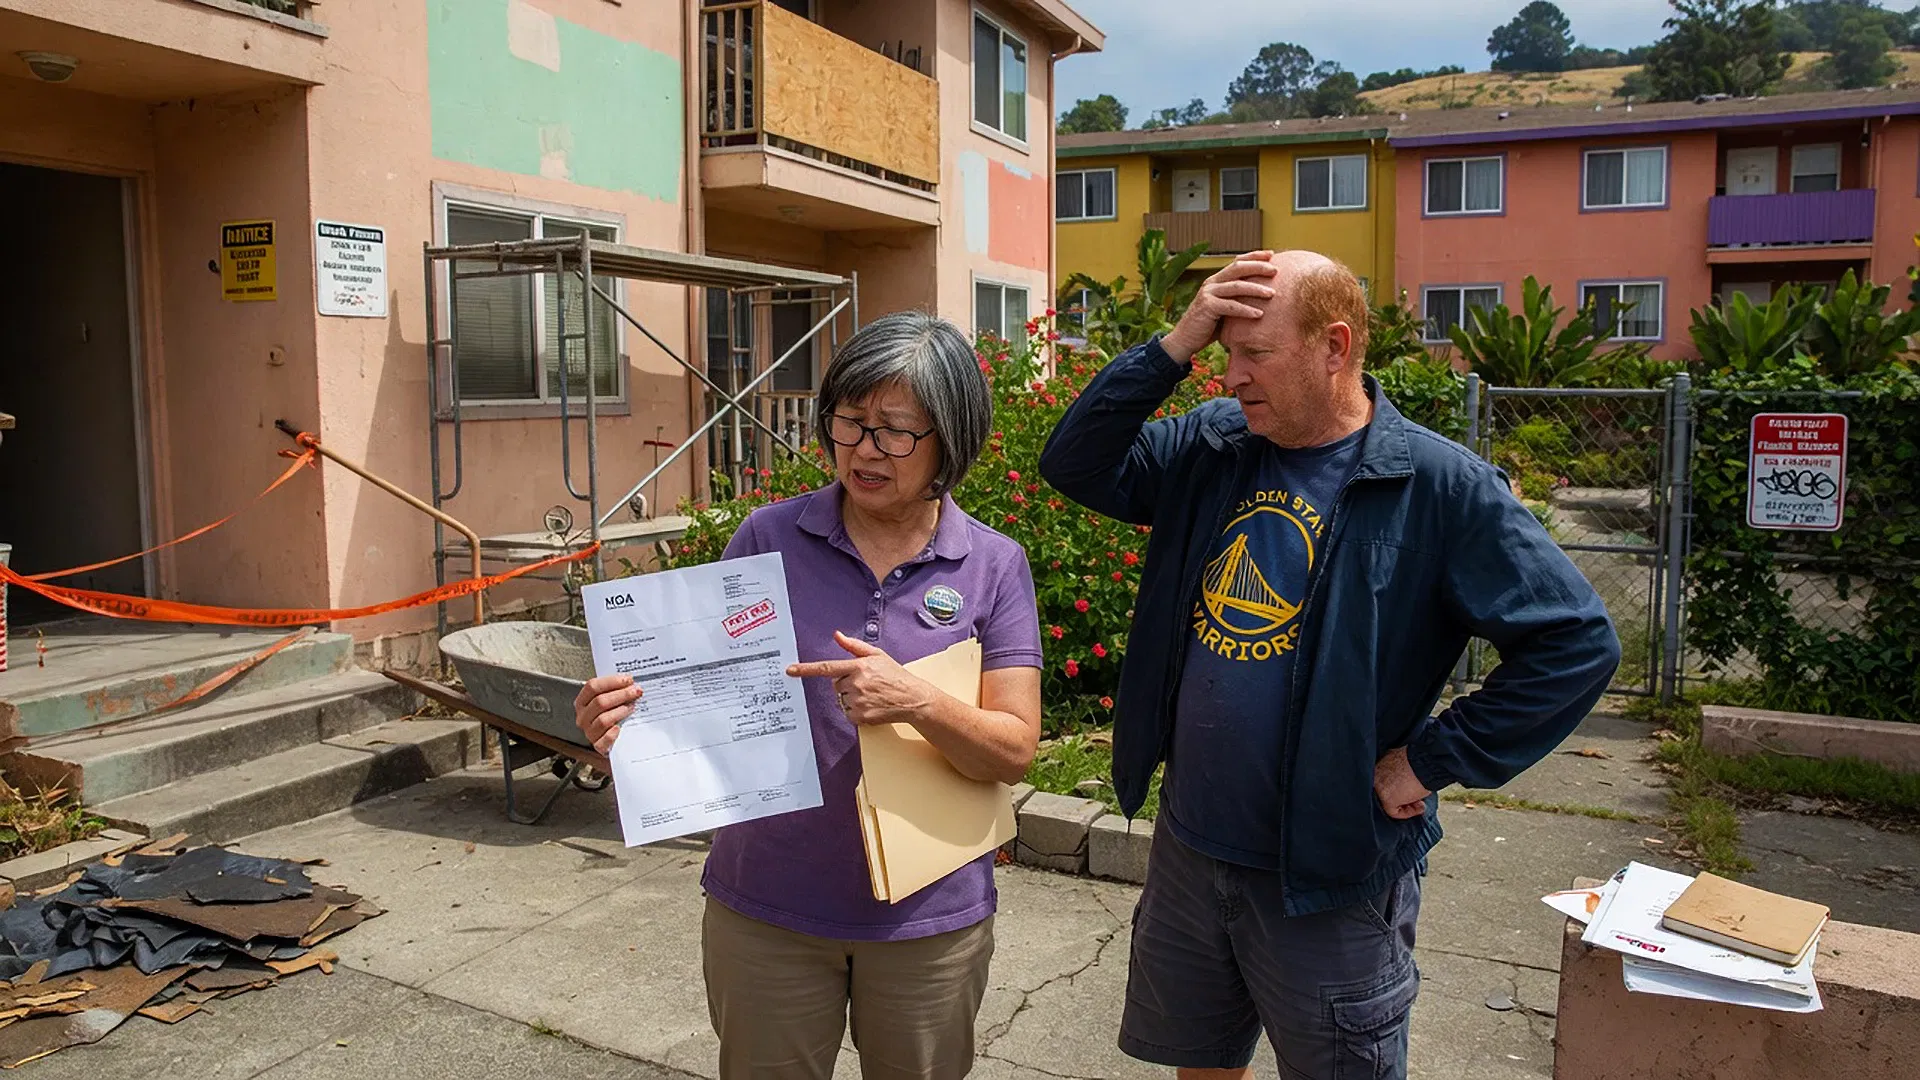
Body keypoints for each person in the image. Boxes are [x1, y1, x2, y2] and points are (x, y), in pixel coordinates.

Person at [1039, 251, 1619, 1080]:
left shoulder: (1438, 484)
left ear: (1334, 346)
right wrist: (1175, 343)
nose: (1233, 376)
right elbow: (1075, 464)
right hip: (1191, 851)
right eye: (1224, 352)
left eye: (1256, 355)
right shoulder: (1213, 445)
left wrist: (1430, 760)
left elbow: (1576, 643)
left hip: (1328, 874)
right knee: (1198, 1063)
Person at [574, 311, 1043, 1080]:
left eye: (895, 430)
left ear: (950, 442)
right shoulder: (766, 538)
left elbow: (1015, 748)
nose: (862, 448)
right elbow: (694, 697)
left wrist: (917, 700)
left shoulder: (993, 564)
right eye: (849, 422)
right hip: (767, 909)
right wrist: (621, 719)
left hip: (929, 917)